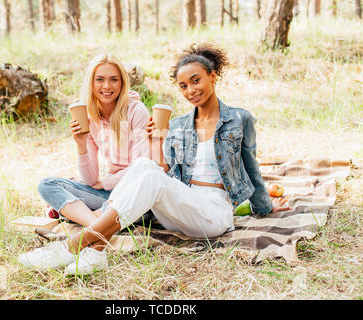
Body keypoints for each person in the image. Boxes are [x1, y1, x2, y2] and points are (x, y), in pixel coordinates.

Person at [18, 43, 290, 275]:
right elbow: (163, 174)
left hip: (213, 213)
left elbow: (251, 168)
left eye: (196, 80)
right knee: (144, 165)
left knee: (143, 168)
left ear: (212, 76)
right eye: (183, 85)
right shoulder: (181, 125)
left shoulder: (239, 119)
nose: (190, 90)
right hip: (178, 205)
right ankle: (96, 247)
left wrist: (264, 206)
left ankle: (76, 247)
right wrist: (155, 142)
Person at [37, 53, 150, 227]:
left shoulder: (136, 110)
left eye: (114, 79)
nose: (107, 86)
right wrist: (81, 145)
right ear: (91, 83)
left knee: (142, 209)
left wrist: (104, 183)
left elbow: (141, 167)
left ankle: (81, 217)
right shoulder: (89, 117)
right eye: (100, 79)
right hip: (109, 193)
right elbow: (90, 180)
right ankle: (98, 226)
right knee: (47, 185)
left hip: (136, 191)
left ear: (122, 83)